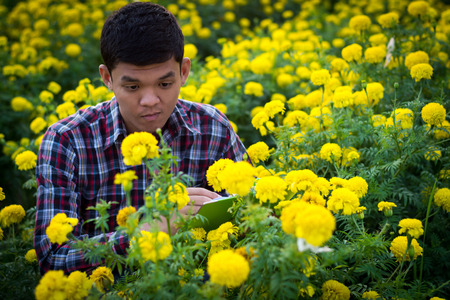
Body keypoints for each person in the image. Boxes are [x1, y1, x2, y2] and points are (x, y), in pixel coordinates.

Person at [34, 1, 248, 275]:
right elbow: (52, 258)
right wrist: (147, 231)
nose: (150, 101)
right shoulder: (67, 141)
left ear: (184, 72)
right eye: (132, 86)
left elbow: (254, 216)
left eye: (164, 84)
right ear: (107, 78)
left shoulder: (212, 127)